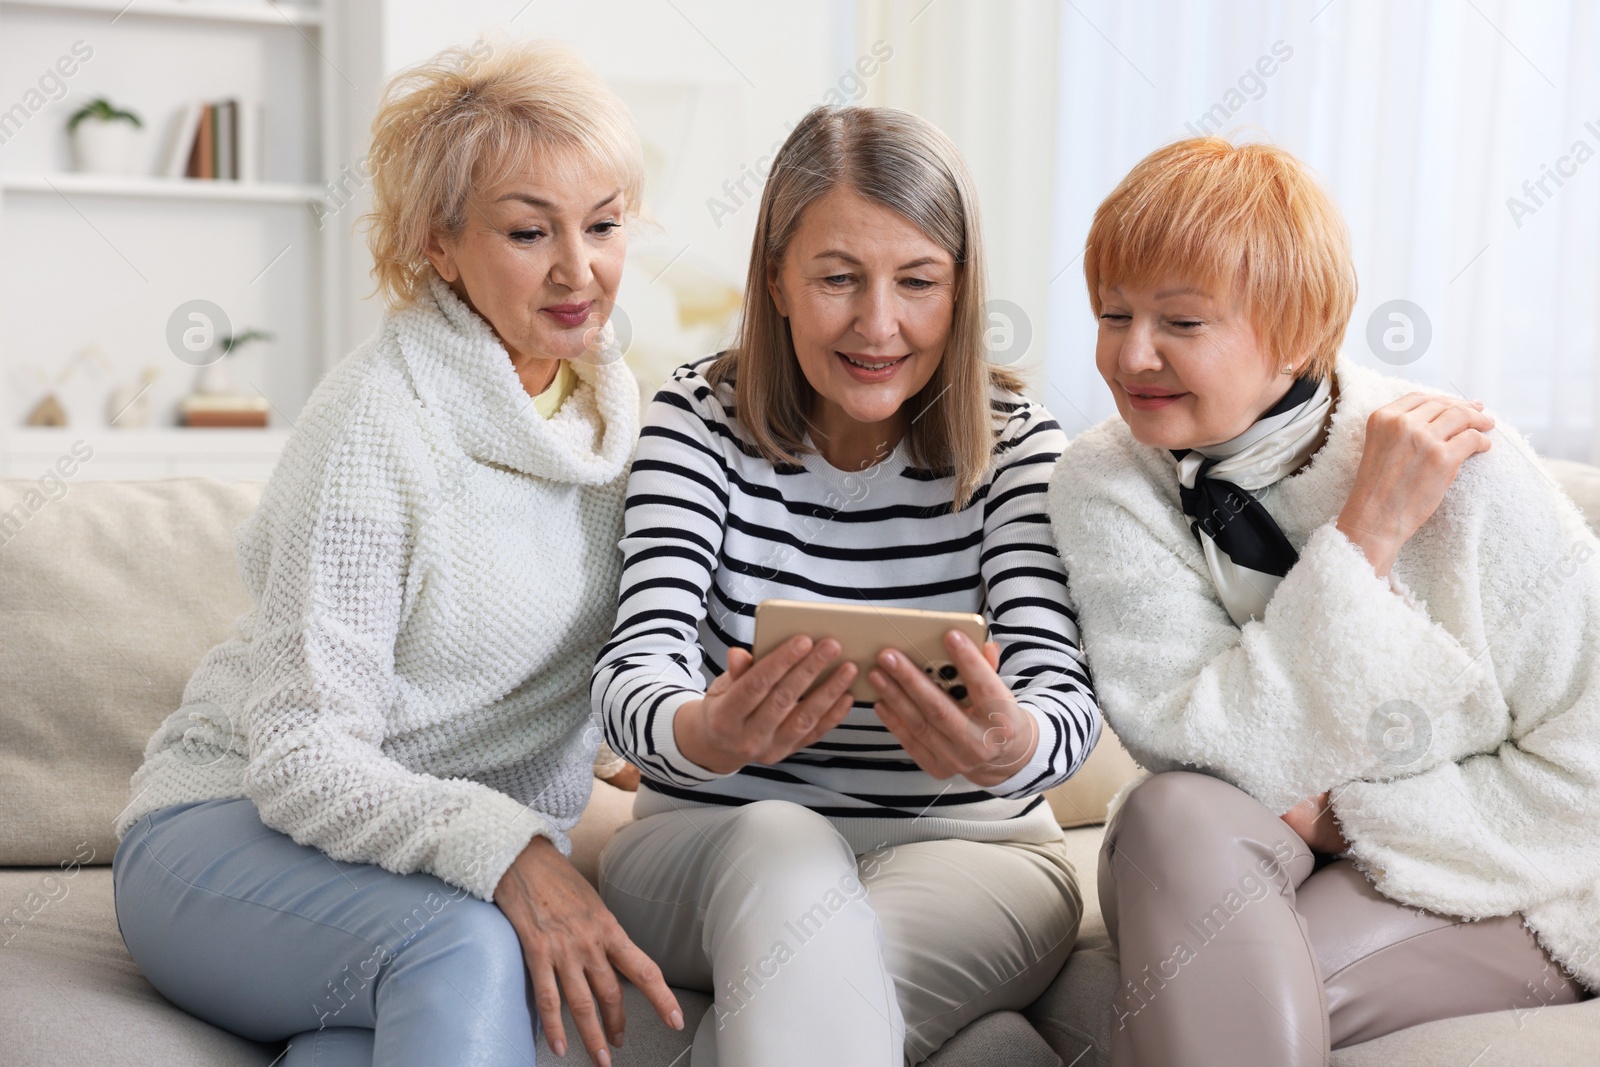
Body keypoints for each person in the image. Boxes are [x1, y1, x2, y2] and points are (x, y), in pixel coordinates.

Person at [111, 40, 681, 1067]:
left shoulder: (617, 419)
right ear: (438, 245)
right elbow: (298, 754)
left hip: (413, 865)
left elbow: (571, 681)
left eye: (602, 224)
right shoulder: (376, 423)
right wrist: (508, 850)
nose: (577, 268)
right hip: (230, 829)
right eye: (526, 230)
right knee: (463, 944)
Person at [1047, 135, 1598, 1066]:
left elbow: (1587, 773)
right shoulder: (1106, 478)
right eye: (1112, 314)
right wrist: (1363, 542)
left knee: (1150, 1029)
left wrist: (1358, 819)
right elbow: (1192, 748)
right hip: (1244, 850)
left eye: (1181, 323)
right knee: (1163, 810)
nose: (1131, 354)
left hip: (1519, 875)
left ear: (1300, 333)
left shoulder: (1469, 473)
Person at [592, 105, 1102, 1066]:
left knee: (806, 997)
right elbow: (634, 665)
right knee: (783, 843)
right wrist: (703, 731)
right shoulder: (695, 424)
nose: (879, 324)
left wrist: (1009, 743)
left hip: (975, 855)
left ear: (961, 289)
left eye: (918, 281)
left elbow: (1064, 704)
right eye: (838, 279)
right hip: (710, 844)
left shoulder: (1020, 445)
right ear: (777, 277)